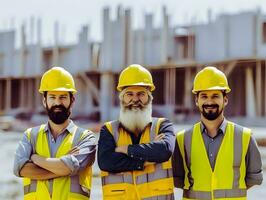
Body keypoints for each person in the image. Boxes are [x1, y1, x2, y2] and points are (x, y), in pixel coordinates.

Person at [172, 66, 263, 200]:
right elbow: (178, 180)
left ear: (225, 100)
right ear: (196, 101)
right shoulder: (182, 139)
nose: (209, 101)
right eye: (204, 96)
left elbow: (253, 179)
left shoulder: (245, 137)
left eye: (215, 96)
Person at [13, 67, 96, 200]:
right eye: (52, 97)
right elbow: (19, 169)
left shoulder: (85, 138)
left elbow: (69, 167)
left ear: (72, 100)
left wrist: (36, 159)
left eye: (63, 97)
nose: (57, 102)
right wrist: (62, 167)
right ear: (44, 101)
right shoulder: (30, 136)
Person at [98, 64, 175, 199]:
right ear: (122, 99)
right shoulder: (108, 130)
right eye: (129, 94)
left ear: (150, 98)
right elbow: (106, 161)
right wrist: (144, 161)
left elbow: (163, 151)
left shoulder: (163, 125)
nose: (135, 99)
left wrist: (126, 149)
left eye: (141, 94)